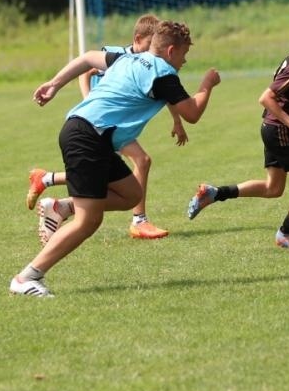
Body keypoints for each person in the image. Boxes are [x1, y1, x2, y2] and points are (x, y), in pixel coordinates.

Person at [10, 20, 220, 297]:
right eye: (184, 54)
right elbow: (192, 113)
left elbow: (86, 59)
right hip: (88, 136)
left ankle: (62, 207)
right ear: (171, 51)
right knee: (89, 221)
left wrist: (55, 84)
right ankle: (27, 277)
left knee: (131, 193)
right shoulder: (164, 74)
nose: (184, 61)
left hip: (87, 132)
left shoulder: (128, 58)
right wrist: (207, 84)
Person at [26, 13, 186, 242]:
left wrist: (177, 120)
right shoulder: (122, 56)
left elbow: (167, 92)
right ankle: (138, 220)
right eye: (150, 44)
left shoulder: (153, 66)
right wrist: (87, 98)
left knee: (107, 172)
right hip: (99, 123)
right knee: (140, 161)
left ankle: (48, 182)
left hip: (107, 126)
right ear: (138, 39)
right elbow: (88, 69)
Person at [186, 12, 289, 249]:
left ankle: (215, 193)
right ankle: (287, 232)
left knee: (273, 188)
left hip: (271, 128)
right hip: (279, 130)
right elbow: (265, 98)